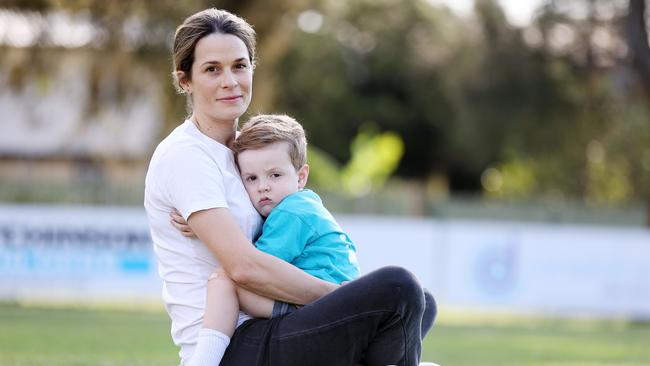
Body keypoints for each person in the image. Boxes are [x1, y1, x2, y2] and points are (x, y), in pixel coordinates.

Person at [144, 8, 437, 366]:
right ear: (185, 80)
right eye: (212, 69)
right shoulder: (186, 155)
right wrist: (339, 298)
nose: (230, 81)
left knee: (419, 301)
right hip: (235, 343)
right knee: (397, 287)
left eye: (239, 65)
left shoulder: (248, 155)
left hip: (279, 324)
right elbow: (244, 268)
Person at [187, 114, 361, 366]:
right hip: (319, 307)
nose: (263, 187)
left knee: (225, 279)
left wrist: (208, 226)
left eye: (275, 175)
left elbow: (256, 268)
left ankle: (203, 362)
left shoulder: (291, 212)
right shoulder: (304, 206)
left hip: (315, 310)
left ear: (301, 177)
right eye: (252, 178)